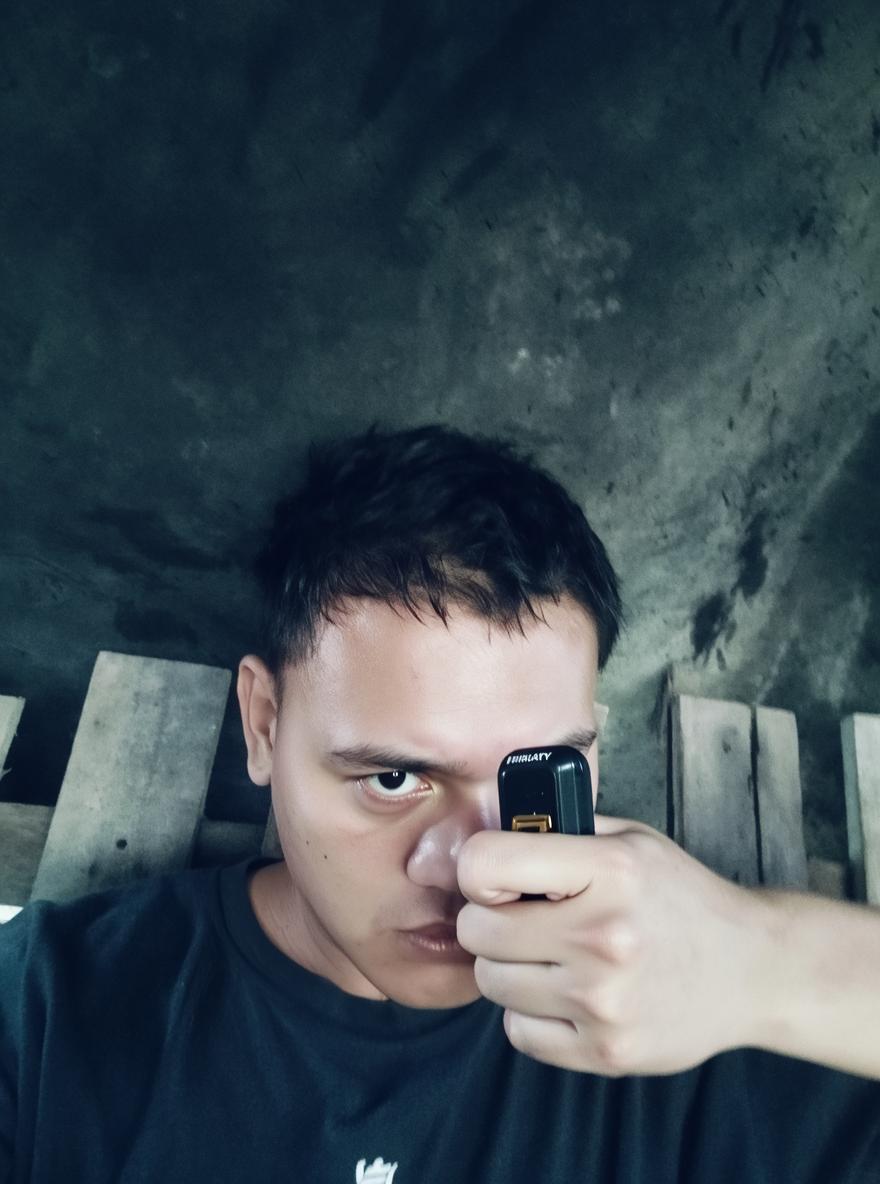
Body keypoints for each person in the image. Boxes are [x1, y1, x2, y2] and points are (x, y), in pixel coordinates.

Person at [1, 424, 878, 1183]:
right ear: (264, 725)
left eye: (537, 773)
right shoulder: (51, 1013)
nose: (471, 868)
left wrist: (767, 963)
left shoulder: (704, 1030)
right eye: (393, 780)